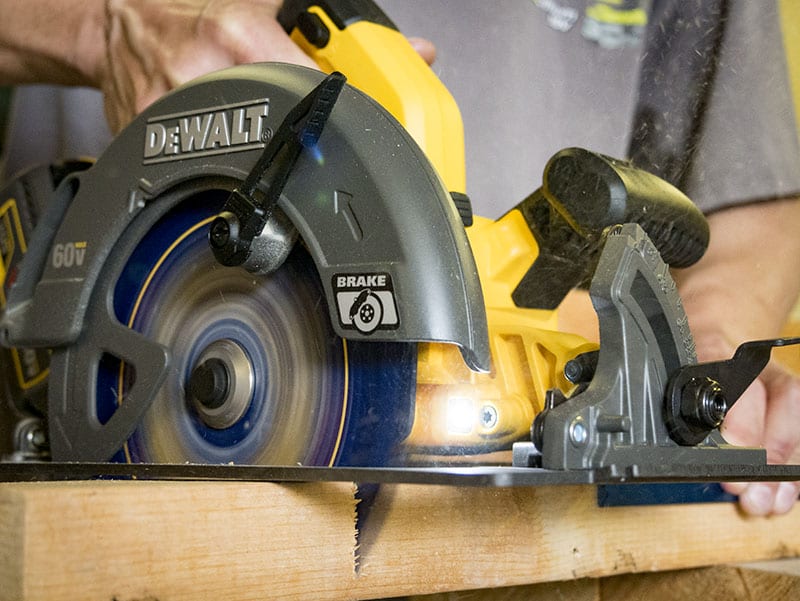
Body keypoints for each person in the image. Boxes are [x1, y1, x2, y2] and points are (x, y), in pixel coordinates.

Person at [1, 0, 799, 517]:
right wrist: (101, 23)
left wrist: (691, 358)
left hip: (488, 469)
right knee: (412, 108)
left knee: (416, 111)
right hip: (94, 451)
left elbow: (753, 207)